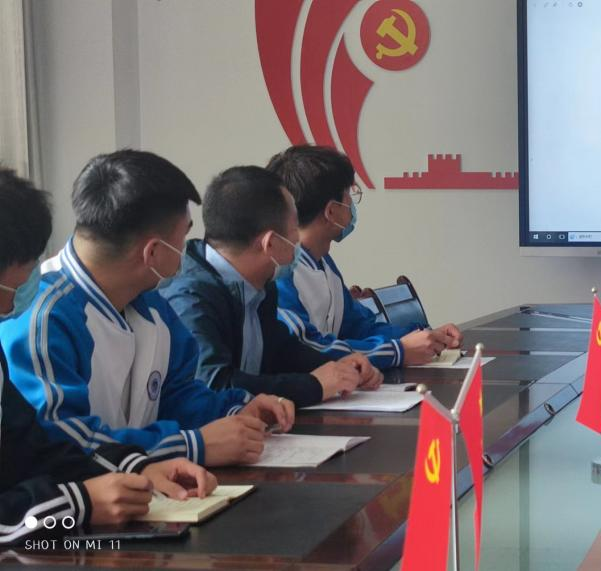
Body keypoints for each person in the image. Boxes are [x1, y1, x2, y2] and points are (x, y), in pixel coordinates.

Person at [0, 151, 294, 467]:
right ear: (153, 252)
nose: (185, 251)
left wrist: (235, 411)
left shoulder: (151, 305)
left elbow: (177, 394)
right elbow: (61, 441)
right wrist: (189, 446)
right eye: (184, 236)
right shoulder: (45, 318)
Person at [0, 167, 216, 545]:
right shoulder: (47, 316)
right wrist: (77, 504)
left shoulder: (149, 305)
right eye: (13, 288)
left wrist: (138, 468)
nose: (14, 304)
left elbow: (32, 446)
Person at [160, 166, 382, 409]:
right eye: (295, 230)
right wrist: (314, 385)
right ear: (271, 244)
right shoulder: (189, 298)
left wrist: (337, 367)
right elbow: (215, 385)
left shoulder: (259, 282)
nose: (299, 241)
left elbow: (280, 351)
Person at [266, 145, 463, 368]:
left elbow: (359, 327)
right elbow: (307, 348)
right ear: (331, 211)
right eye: (348, 195)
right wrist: (398, 351)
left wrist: (425, 336)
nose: (351, 204)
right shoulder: (281, 273)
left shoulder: (323, 263)